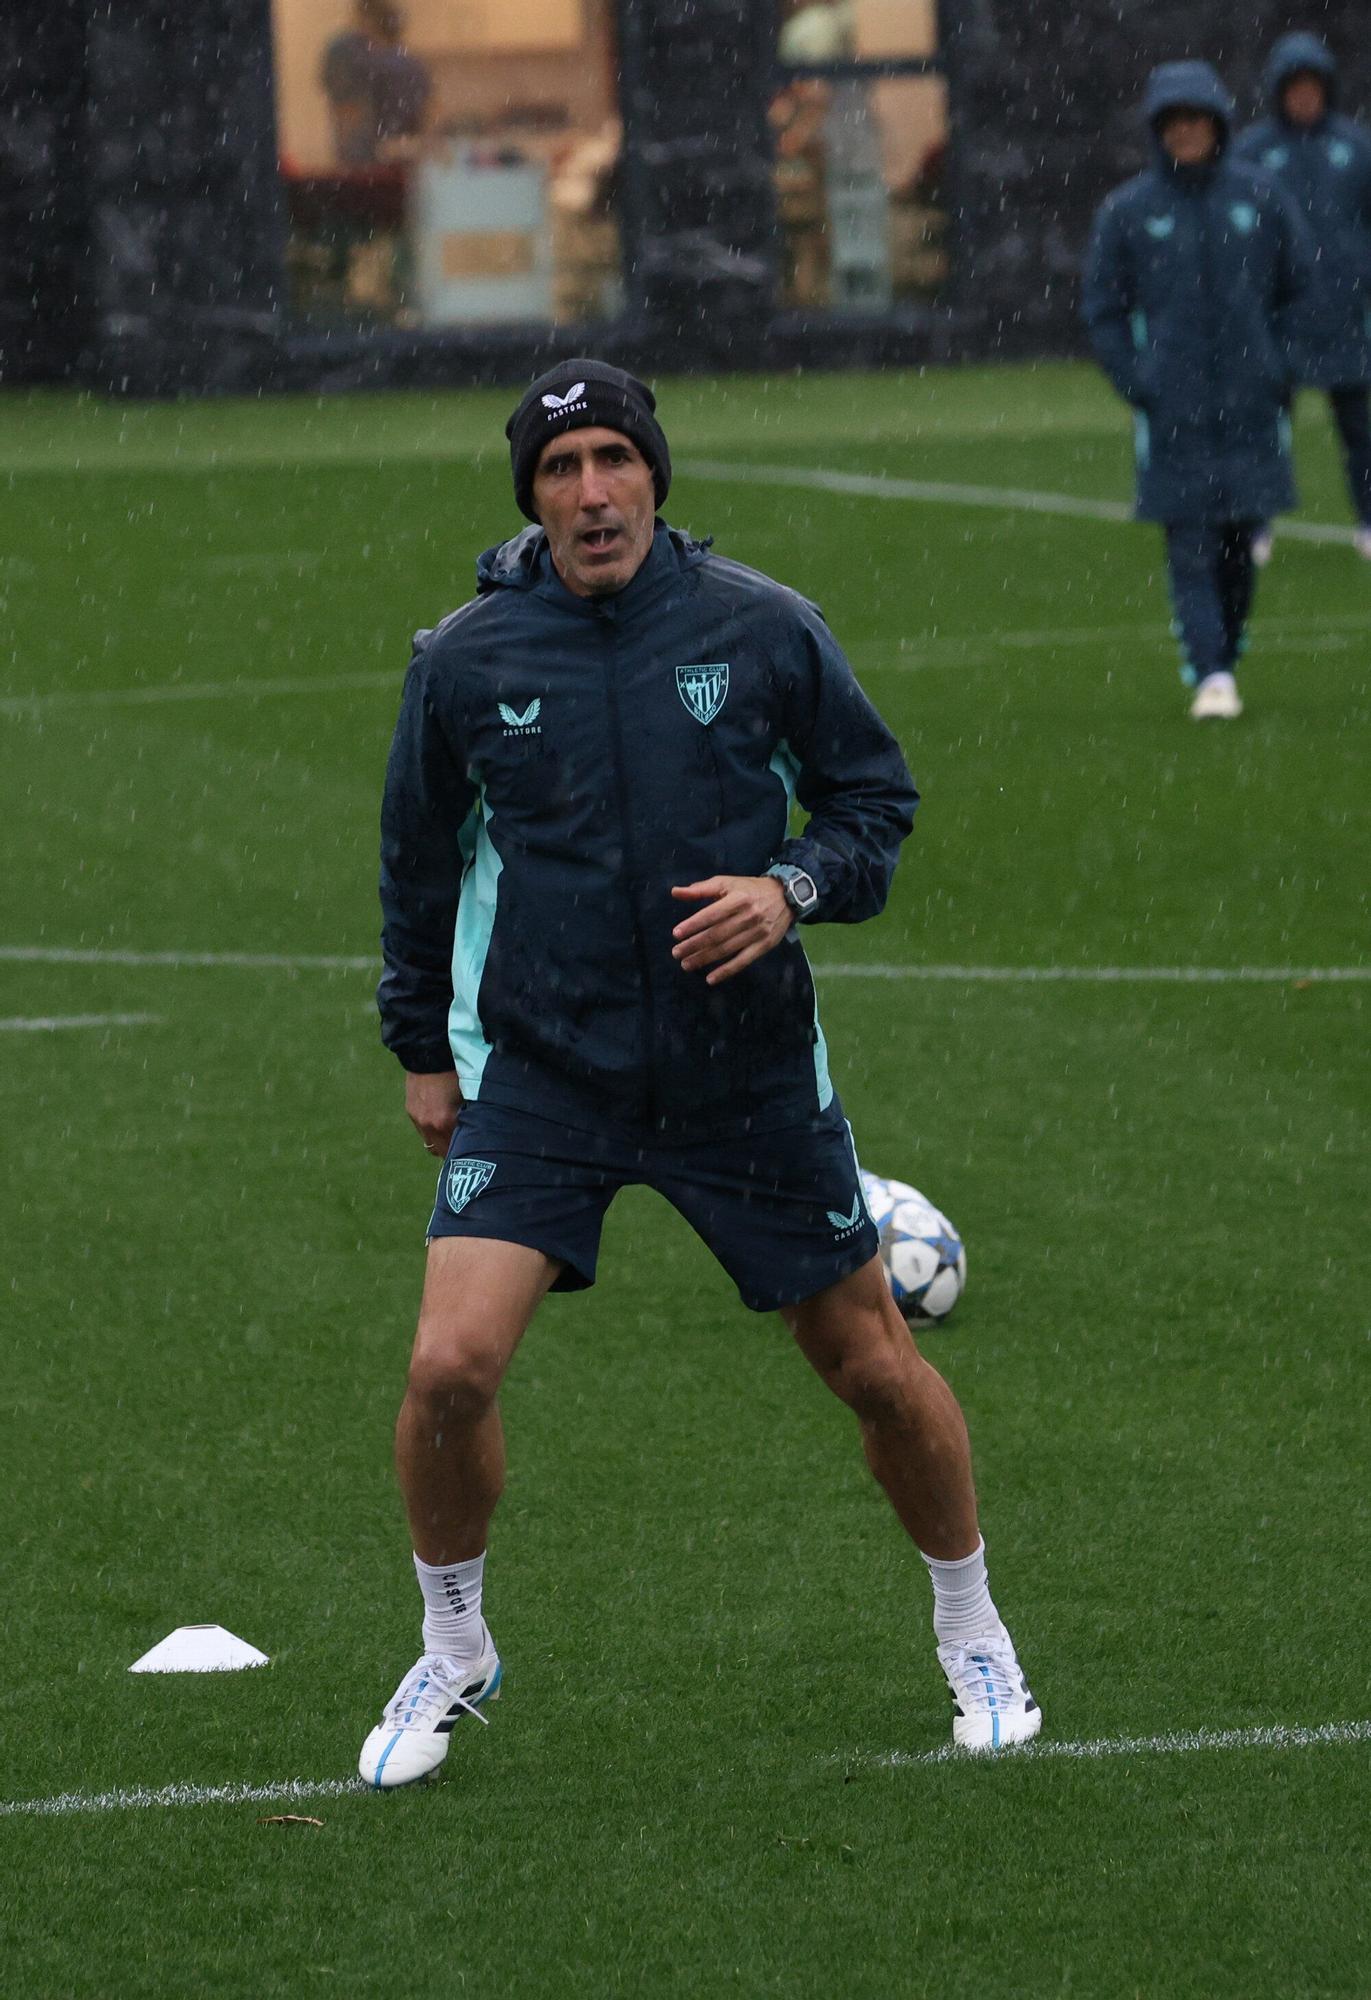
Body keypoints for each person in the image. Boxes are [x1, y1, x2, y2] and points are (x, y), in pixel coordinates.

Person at [361, 357, 1041, 1788]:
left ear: (653, 475)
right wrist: (423, 1047)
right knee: (446, 1369)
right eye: (560, 469)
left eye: (613, 458)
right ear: (531, 497)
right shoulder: (467, 659)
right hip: (547, 1069)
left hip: (740, 1072)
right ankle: (454, 1645)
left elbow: (873, 805)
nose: (591, 491)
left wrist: (788, 884)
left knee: (869, 1368)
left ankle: (971, 1628)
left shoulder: (760, 629)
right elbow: (415, 867)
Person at [1082, 61, 1311, 720]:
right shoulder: (1128, 211)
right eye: (1173, 123)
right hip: (1172, 411)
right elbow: (1101, 307)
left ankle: (1224, 652)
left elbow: (1301, 287)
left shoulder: (1261, 199)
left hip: (1250, 408)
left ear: (1216, 125)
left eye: (1196, 121)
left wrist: (1278, 365)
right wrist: (1138, 378)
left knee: (1238, 548)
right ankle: (1209, 672)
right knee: (1189, 543)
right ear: (1159, 131)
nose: (1185, 133)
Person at [1233, 32, 1371, 565]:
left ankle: (1367, 520)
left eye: (1314, 87)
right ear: (1279, 91)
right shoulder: (1252, 153)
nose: (1305, 98)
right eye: (1295, 88)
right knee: (1265, 429)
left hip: (1343, 319)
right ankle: (1256, 527)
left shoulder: (1356, 148)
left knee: (1357, 429)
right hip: (1275, 322)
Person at [320, 0, 431, 170]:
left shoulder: (347, 53)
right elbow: (427, 114)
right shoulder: (411, 64)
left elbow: (346, 112)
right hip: (401, 163)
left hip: (366, 164)